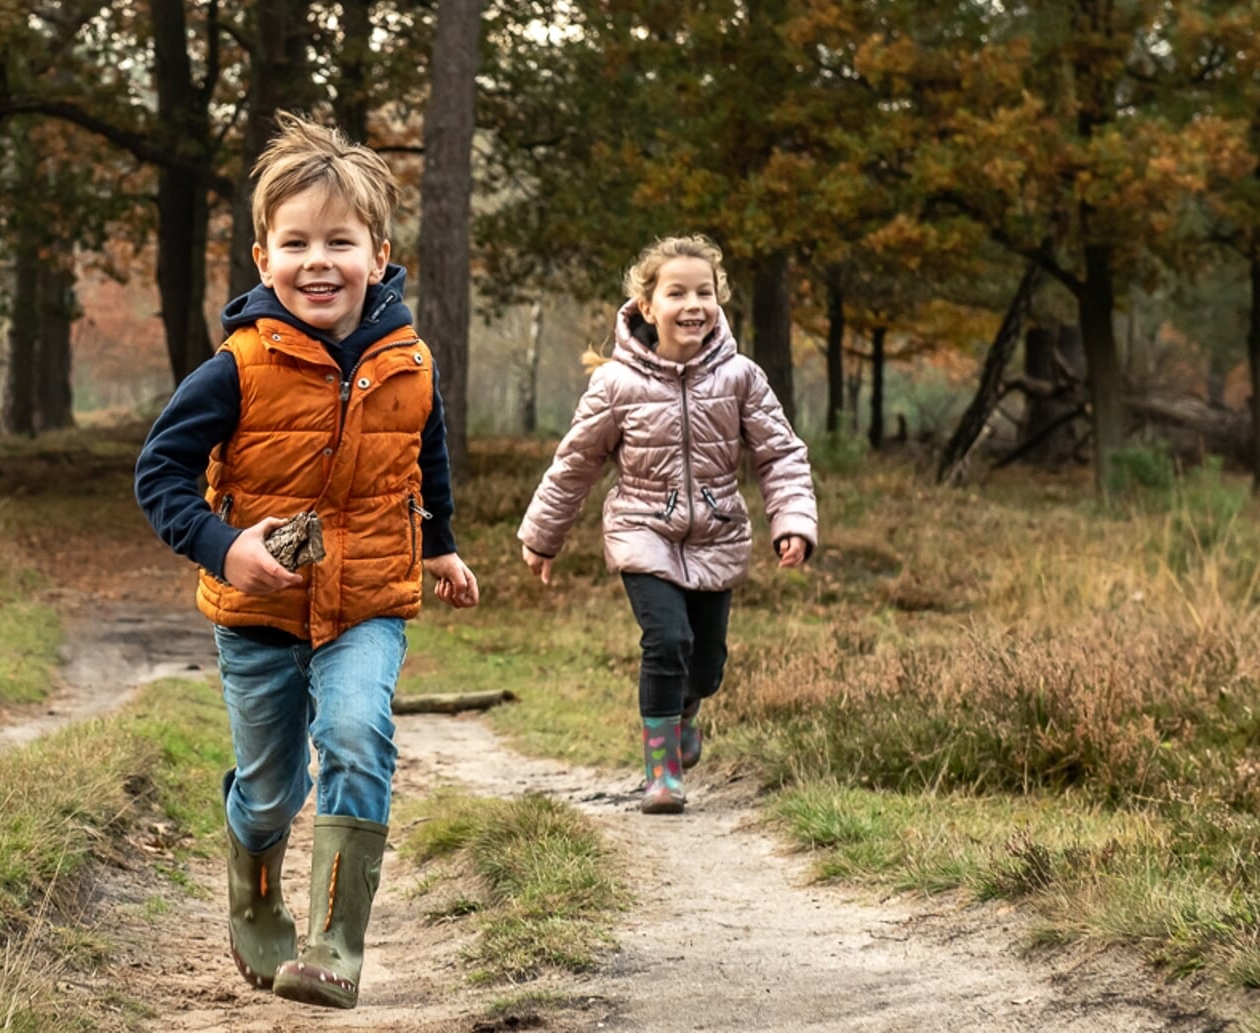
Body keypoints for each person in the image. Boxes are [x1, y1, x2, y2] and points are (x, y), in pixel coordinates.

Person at [135, 112, 479, 1009]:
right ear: (262, 258)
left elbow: (423, 453)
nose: (316, 262)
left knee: (359, 737)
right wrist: (223, 546)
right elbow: (158, 473)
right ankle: (254, 893)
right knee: (268, 789)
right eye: (295, 243)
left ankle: (335, 945)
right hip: (258, 613)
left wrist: (439, 544)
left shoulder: (409, 360)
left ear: (378, 251)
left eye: (339, 240)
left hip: (367, 597)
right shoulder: (235, 367)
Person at [516, 235, 815, 815]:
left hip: (718, 532)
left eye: (704, 291)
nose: (693, 304)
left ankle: (687, 711)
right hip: (642, 530)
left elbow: (779, 454)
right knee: (667, 641)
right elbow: (576, 463)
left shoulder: (741, 378)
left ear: (719, 303)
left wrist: (793, 521)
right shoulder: (616, 385)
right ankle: (663, 775)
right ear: (648, 307)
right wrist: (542, 535)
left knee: (706, 666)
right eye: (676, 292)